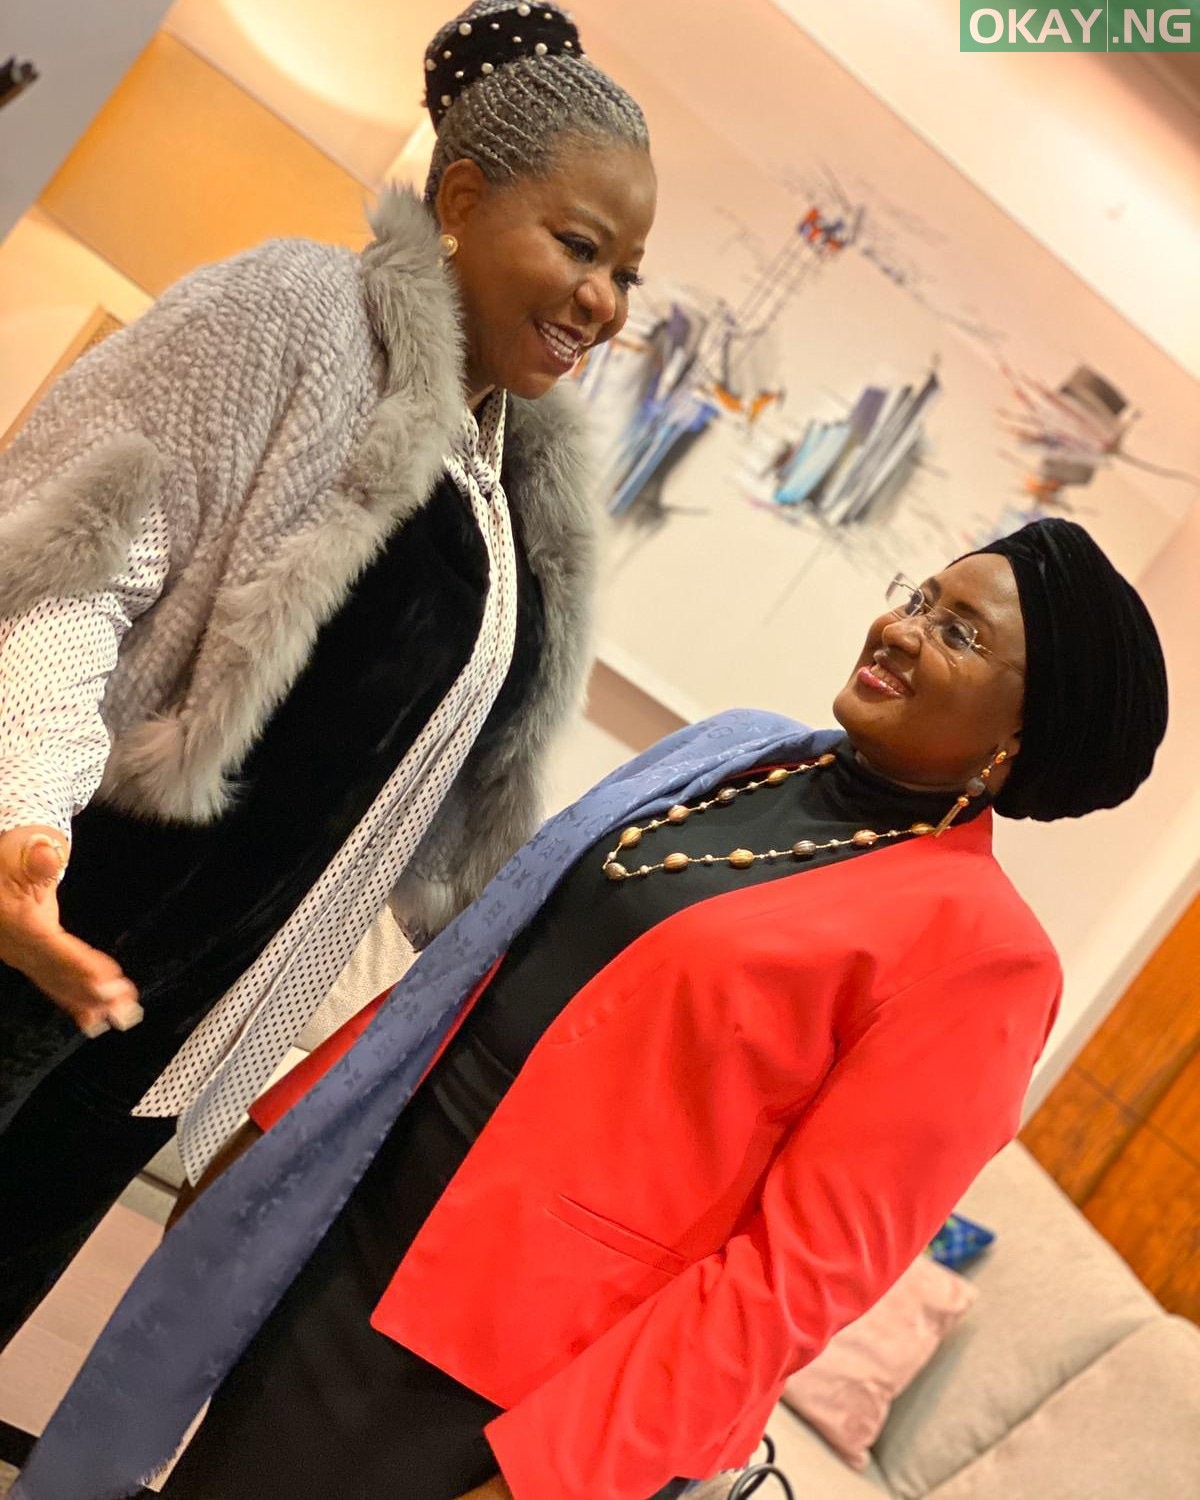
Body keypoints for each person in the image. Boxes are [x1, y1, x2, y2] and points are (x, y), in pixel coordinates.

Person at [13, 519, 1168, 1500]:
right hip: (348, 1221)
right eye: (922, 596)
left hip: (489, 1372)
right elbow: (488, 957)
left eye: (961, 634)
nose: (906, 631)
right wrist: (283, 1129)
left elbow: (790, 1283)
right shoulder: (740, 753)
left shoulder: (984, 958)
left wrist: (550, 1475)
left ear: (1020, 743)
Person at [0, 0, 655, 1350]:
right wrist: (20, 818)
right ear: (463, 198)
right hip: (43, 922)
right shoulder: (291, 311)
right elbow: (73, 565)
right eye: (582, 246)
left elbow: (409, 792)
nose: (605, 300)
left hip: (150, 1023)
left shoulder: (503, 476)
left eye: (630, 272)